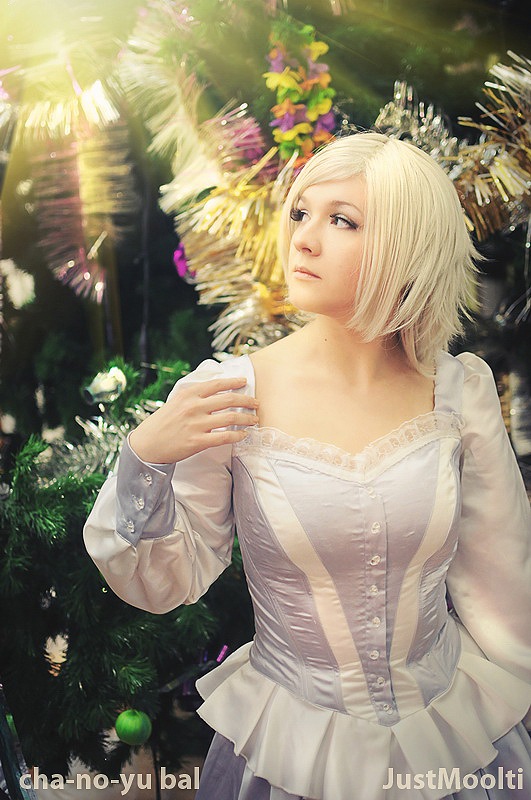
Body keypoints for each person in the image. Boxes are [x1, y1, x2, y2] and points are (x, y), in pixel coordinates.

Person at [84, 132, 531, 800]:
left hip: (454, 738)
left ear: (406, 246)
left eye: (341, 220)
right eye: (300, 213)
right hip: (292, 750)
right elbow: (163, 581)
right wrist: (144, 455)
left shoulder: (457, 390)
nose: (304, 239)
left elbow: (502, 583)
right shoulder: (228, 394)